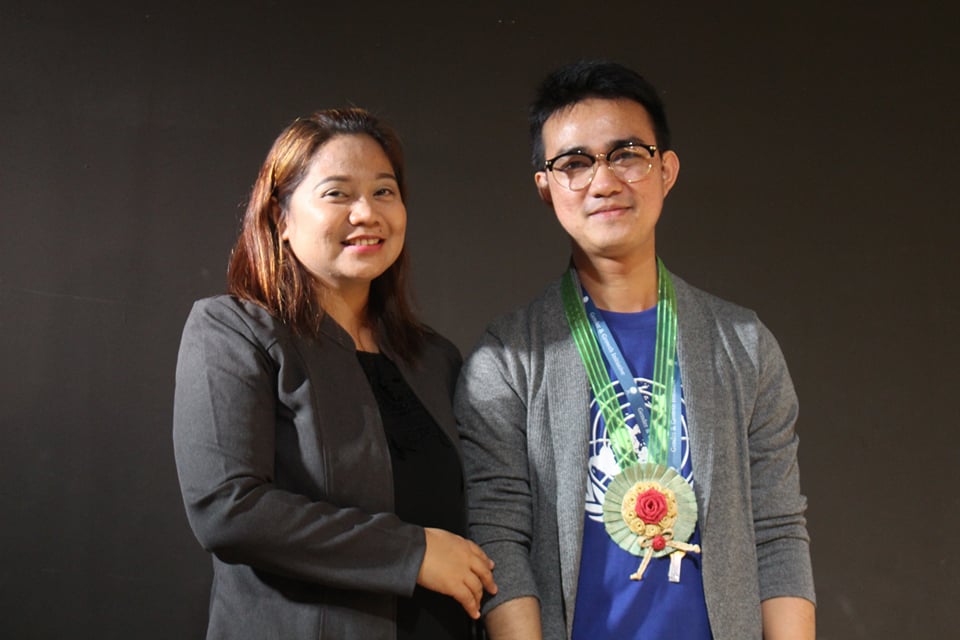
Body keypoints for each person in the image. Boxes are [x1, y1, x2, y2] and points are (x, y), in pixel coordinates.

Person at [455, 61, 815, 639]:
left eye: (626, 155)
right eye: (574, 163)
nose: (603, 182)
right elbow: (500, 539)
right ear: (546, 188)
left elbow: (777, 531)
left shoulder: (743, 344)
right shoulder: (507, 359)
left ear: (666, 170)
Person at [173, 108, 497, 640]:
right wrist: (412, 552)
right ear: (280, 218)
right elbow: (227, 509)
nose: (366, 213)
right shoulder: (233, 330)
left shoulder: (435, 358)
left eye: (384, 192)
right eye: (337, 194)